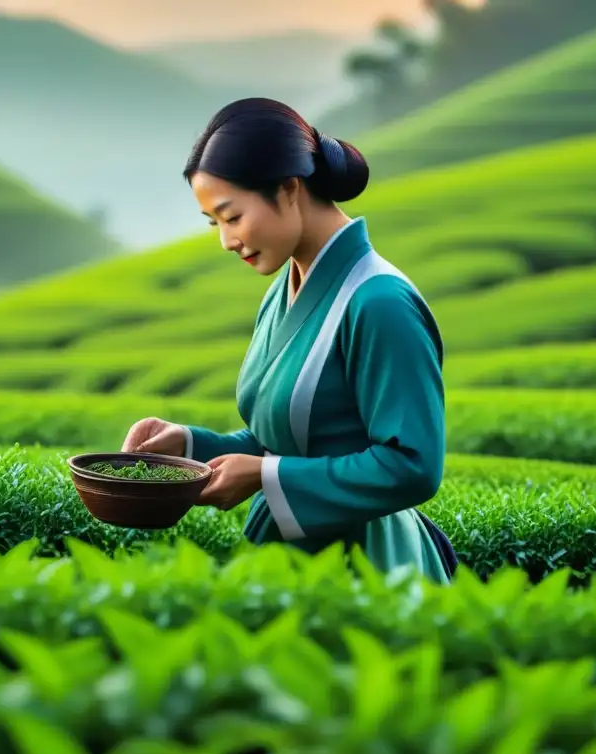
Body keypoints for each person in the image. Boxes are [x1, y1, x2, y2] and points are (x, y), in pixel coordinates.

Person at [121, 97, 457, 582]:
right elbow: (291, 439)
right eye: (215, 223)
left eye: (233, 217)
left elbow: (413, 465)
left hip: (369, 567)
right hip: (289, 557)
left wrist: (264, 477)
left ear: (288, 189)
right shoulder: (286, 288)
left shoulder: (379, 302)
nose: (226, 241)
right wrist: (190, 447)